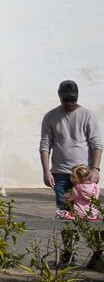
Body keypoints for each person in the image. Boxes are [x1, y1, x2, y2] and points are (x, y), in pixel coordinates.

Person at [40, 79, 103, 211]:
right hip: (60, 173)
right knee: (64, 213)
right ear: (59, 95)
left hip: (83, 174)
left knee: (85, 212)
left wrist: (95, 169)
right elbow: (45, 146)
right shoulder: (50, 117)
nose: (69, 103)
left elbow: (96, 144)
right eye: (66, 100)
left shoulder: (88, 115)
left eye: (73, 100)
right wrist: (46, 171)